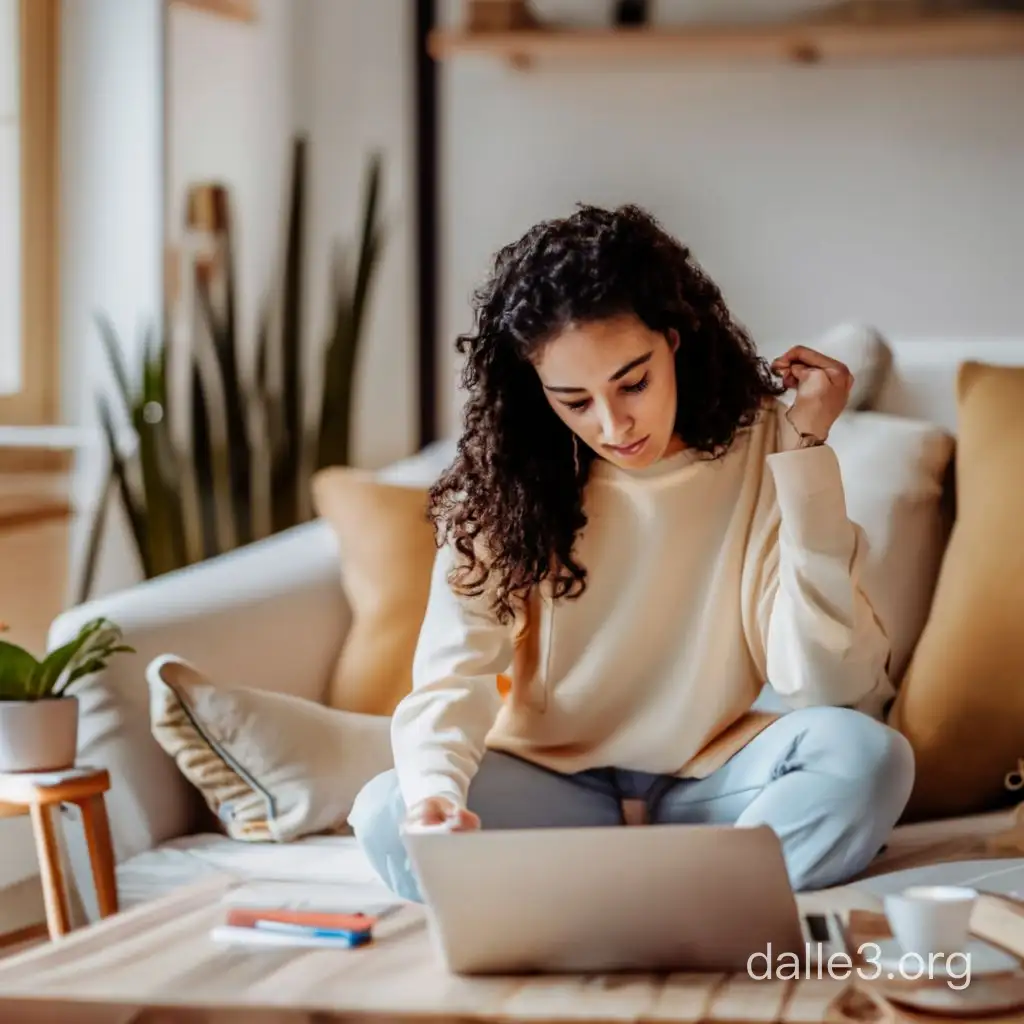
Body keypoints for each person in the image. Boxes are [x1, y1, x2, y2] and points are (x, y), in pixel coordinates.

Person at [349, 203, 914, 902]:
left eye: (633, 383)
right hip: (551, 784)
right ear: (536, 391)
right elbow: (451, 675)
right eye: (574, 401)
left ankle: (627, 906)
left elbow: (828, 681)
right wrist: (433, 798)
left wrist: (804, 457)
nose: (613, 425)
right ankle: (689, 898)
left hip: (708, 778)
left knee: (869, 758)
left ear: (674, 339)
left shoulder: (765, 437)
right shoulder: (504, 483)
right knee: (385, 812)